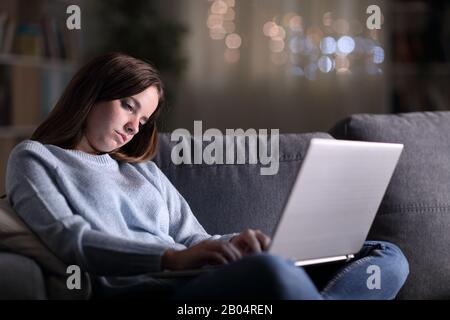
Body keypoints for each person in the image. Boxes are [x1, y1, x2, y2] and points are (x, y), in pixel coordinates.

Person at [5, 52, 409, 300]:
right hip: (149, 289)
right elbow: (71, 240)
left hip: (198, 276)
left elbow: (193, 237)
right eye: (128, 106)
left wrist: (236, 243)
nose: (133, 127)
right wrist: (170, 259)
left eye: (143, 119)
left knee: (384, 255)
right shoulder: (35, 158)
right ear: (89, 93)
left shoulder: (141, 170)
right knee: (270, 274)